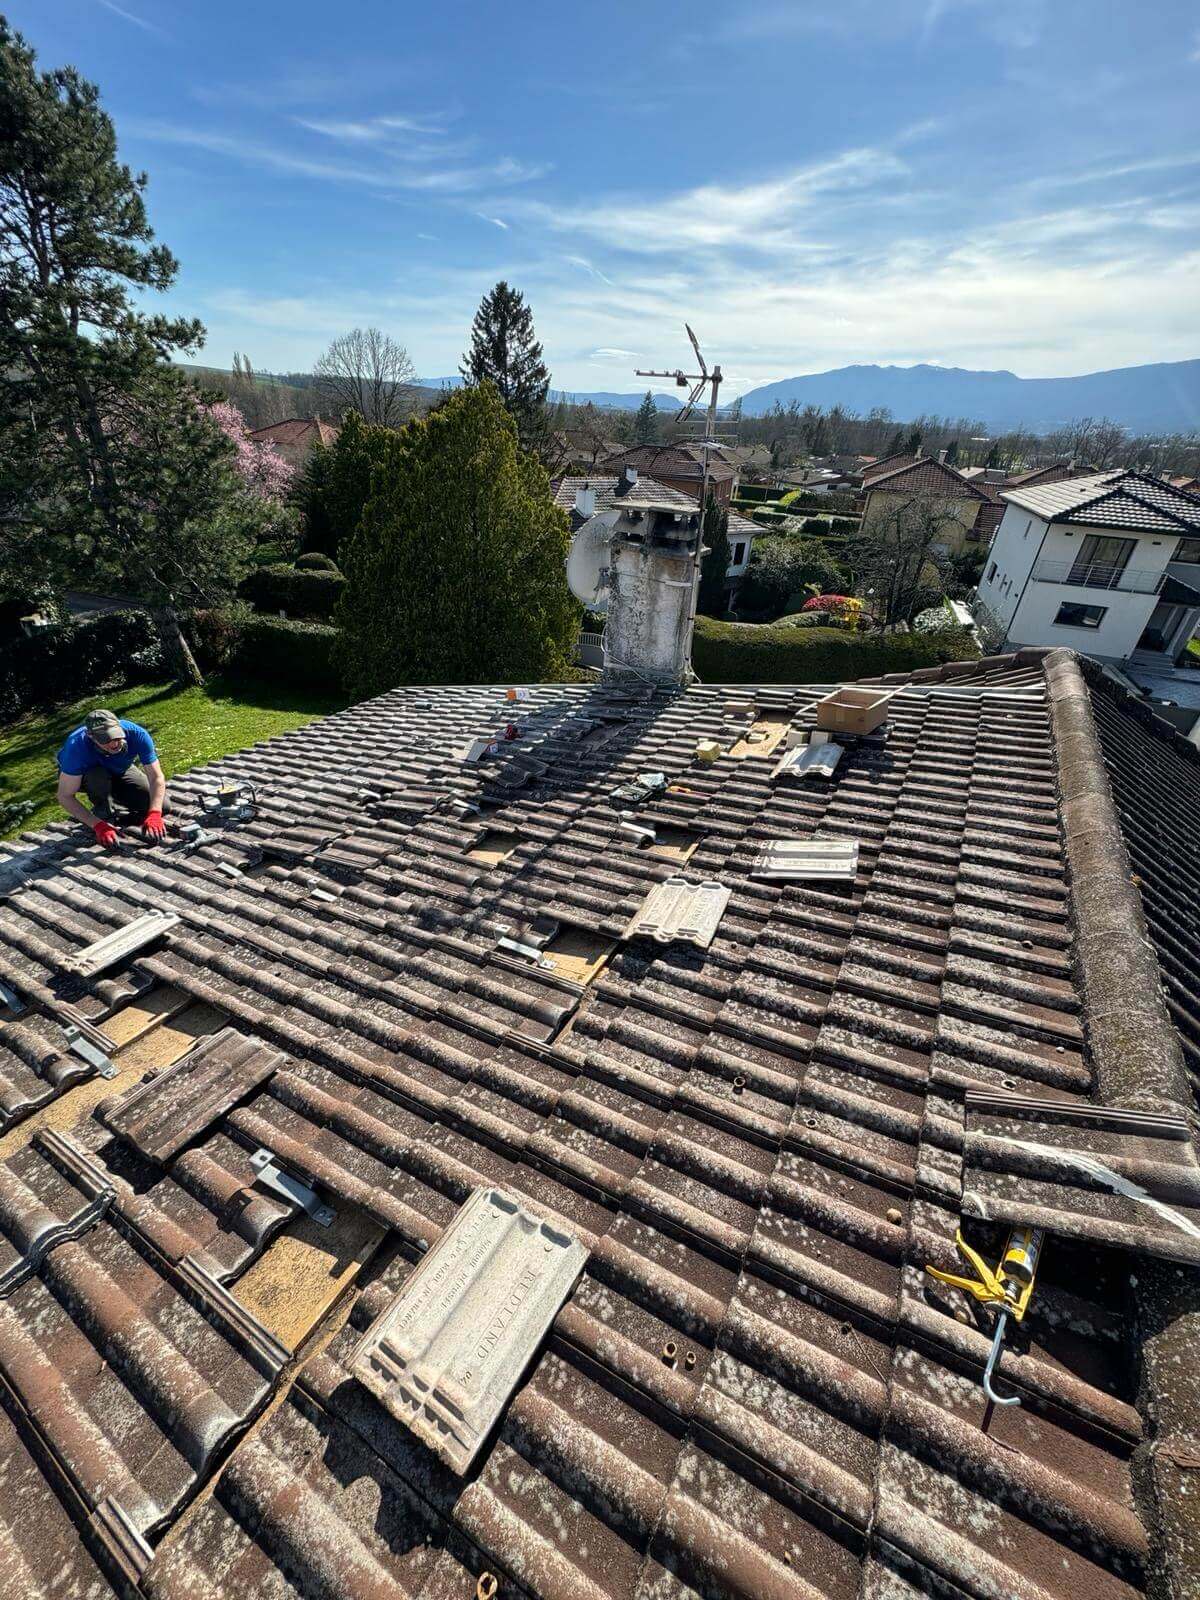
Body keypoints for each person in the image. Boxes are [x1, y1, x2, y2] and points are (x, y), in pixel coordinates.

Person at [56, 708, 169, 849]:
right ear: (91, 736)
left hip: (120, 769)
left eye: (116, 736)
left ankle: (117, 798)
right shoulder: (75, 749)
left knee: (163, 805)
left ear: (119, 726)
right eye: (105, 740)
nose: (114, 744)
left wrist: (155, 813)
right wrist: (98, 825)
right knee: (97, 775)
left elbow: (156, 777)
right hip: (87, 775)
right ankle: (103, 811)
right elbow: (64, 796)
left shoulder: (137, 734)